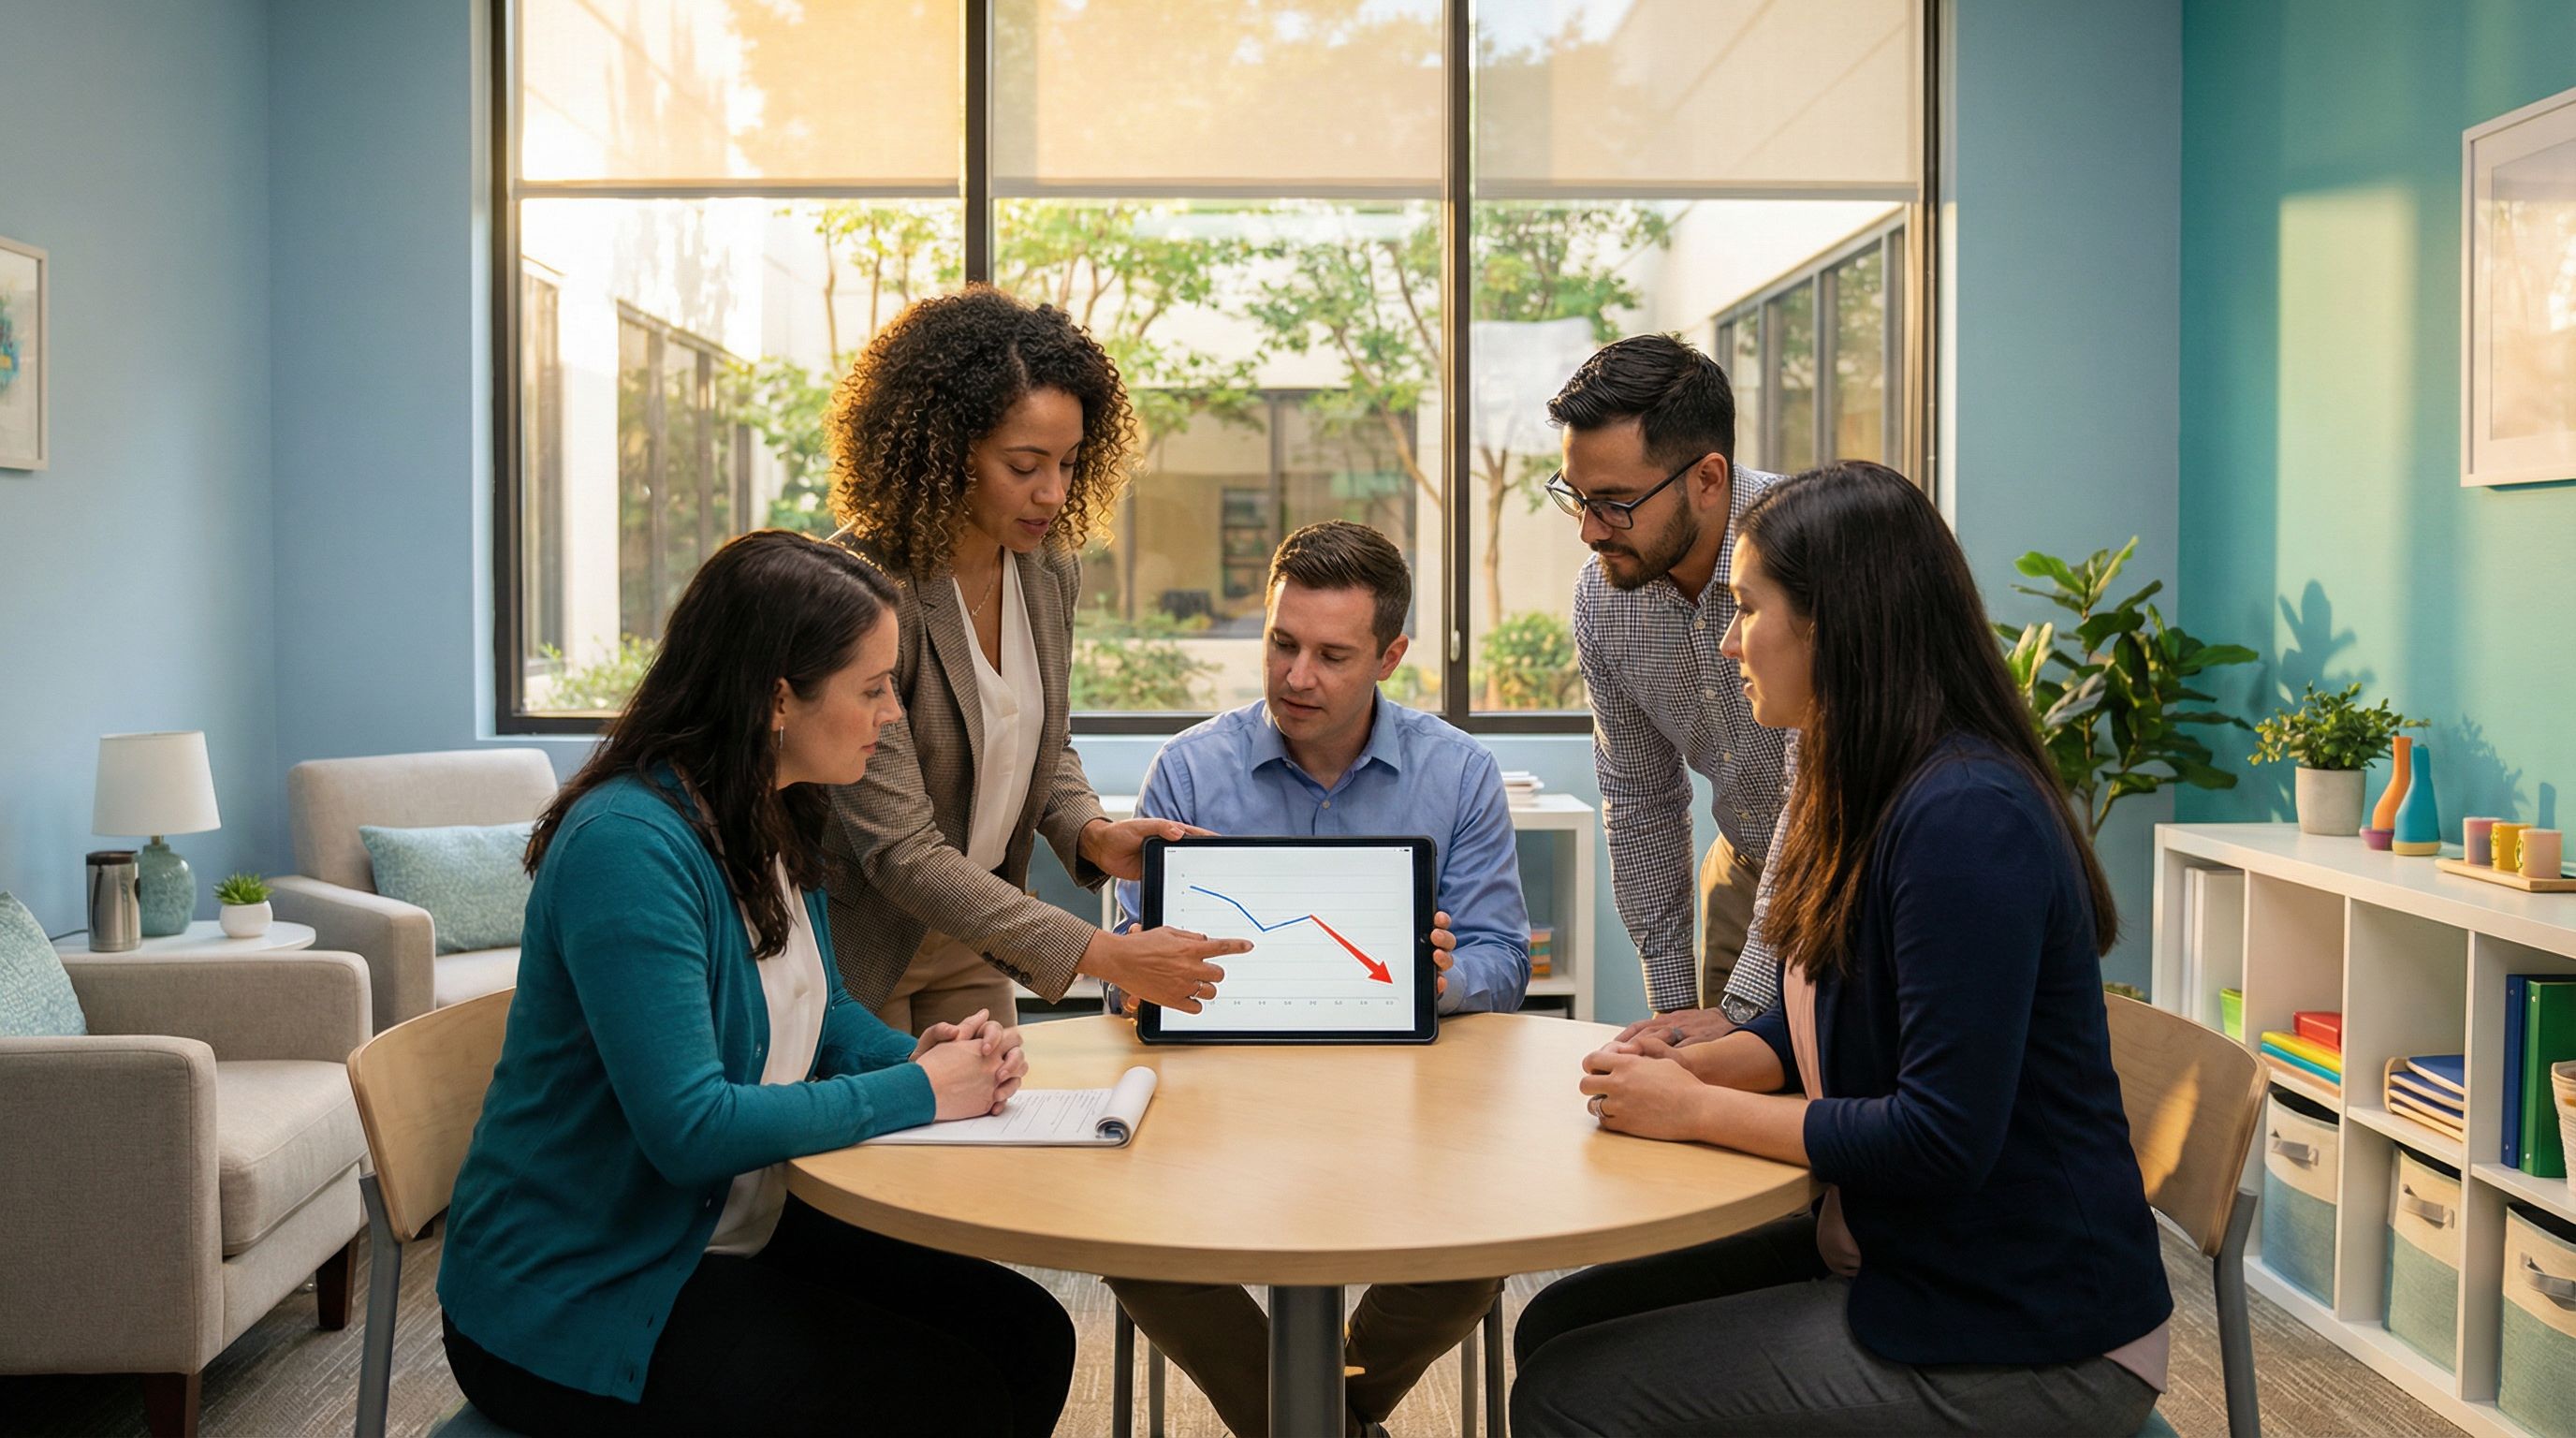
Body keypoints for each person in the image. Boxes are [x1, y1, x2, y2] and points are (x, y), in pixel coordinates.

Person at [1509, 462, 2173, 1436]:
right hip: (1904, 1251)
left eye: (1748, 607)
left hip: (2029, 1329)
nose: (1730, 641)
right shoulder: (1861, 779)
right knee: (1562, 1320)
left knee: (1575, 1392)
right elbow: (1826, 1004)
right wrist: (1713, 1057)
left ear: (1836, 624)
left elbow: (1937, 1139)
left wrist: (1695, 1110)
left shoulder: (1965, 821)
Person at [436, 530, 1076, 1438]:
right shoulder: (628, 848)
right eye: (871, 687)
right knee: (946, 1398)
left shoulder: (767, 810)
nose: (892, 713)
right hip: (578, 1293)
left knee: (1029, 1333)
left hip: (719, 1236)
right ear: (779, 697)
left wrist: (926, 1059)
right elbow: (690, 1132)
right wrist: (916, 1092)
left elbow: (825, 1014)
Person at [1105, 520, 1530, 1437]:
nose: (1298, 677)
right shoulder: (1186, 769)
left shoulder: (1459, 773)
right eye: (1281, 644)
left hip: (1410, 1104)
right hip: (1217, 1105)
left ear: (1391, 655)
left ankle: (1319, 1418)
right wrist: (1139, 979)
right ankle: (1334, 1424)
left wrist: (1437, 978)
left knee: (1477, 1248)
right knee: (1130, 1245)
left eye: (1333, 655)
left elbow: (1503, 957)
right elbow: (1123, 975)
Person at [817, 286, 1250, 1034]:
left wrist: (1092, 832)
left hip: (978, 932)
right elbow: (900, 850)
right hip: (858, 939)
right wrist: (1104, 954)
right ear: (944, 452)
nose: (1052, 493)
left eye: (1070, 463)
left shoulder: (1048, 569)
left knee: (991, 1136)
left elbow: (1039, 742)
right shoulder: (861, 588)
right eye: (1024, 465)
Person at [1549, 334, 1793, 1049]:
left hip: (1857, 864)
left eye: (1617, 503)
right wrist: (1672, 1004)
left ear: (1708, 478)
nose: (1592, 531)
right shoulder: (1604, 597)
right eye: (1579, 498)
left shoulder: (1813, 556)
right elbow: (1640, 797)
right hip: (1747, 861)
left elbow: (1815, 796)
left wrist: (1745, 1007)